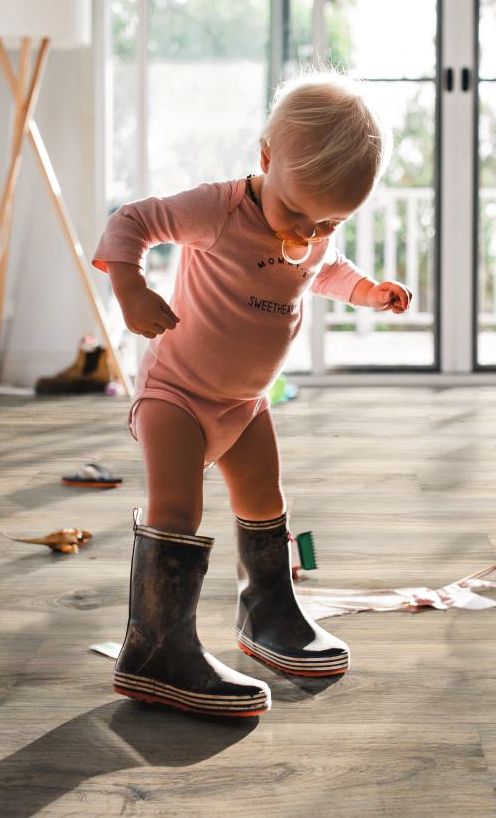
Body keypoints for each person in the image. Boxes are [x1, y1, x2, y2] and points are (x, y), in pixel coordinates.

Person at [92, 70, 413, 717]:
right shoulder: (217, 208)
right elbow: (132, 221)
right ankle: (156, 648)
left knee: (266, 499)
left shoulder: (313, 230)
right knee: (177, 507)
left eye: (326, 221)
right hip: (177, 393)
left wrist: (369, 292)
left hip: (243, 404)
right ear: (264, 158)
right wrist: (129, 290)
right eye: (295, 212)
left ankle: (267, 612)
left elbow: (326, 270)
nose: (304, 233)